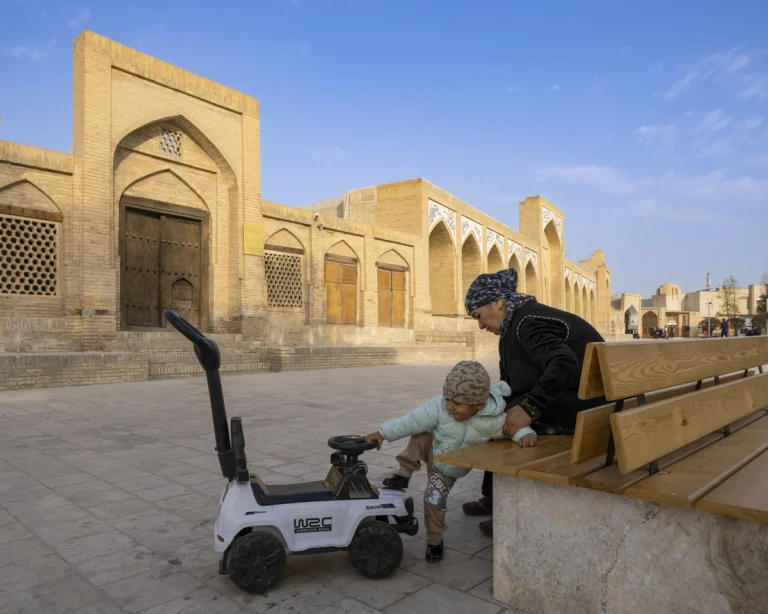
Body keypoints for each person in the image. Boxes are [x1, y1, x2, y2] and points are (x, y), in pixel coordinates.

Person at [460, 268, 607, 537]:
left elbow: (563, 363)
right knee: (499, 412)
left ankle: (510, 509)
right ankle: (493, 498)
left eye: (479, 316)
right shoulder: (514, 325)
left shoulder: (527, 323)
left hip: (586, 407)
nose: (480, 325)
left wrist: (529, 408)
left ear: (498, 302)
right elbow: (513, 383)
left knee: (509, 421)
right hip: (583, 402)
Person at [364, 360, 537, 562]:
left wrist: (525, 433)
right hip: (434, 450)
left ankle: (434, 541)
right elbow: (411, 420)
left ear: (478, 405)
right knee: (421, 433)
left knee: (433, 499)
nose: (450, 406)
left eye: (457, 403)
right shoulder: (439, 407)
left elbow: (512, 428)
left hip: (446, 471)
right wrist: (383, 433)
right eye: (448, 399)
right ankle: (403, 473)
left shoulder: (491, 420)